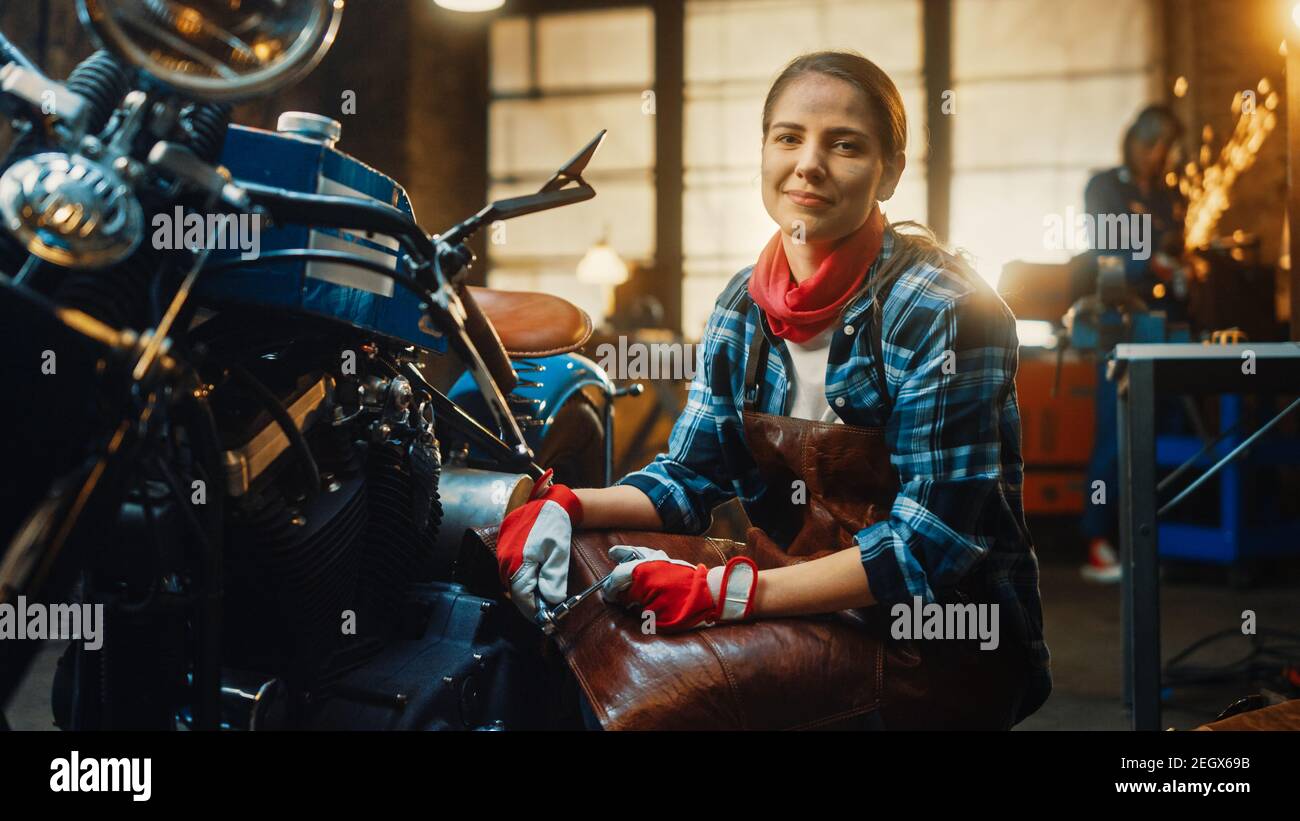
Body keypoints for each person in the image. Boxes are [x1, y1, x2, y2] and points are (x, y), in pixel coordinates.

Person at [497, 50, 1050, 728]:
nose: (809, 163)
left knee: (653, 705)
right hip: (801, 591)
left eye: (844, 145)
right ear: (763, 153)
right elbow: (688, 478)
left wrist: (727, 593)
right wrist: (560, 501)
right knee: (577, 589)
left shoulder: (949, 308)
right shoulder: (741, 304)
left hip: (938, 640)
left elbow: (926, 548)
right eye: (788, 137)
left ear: (890, 171)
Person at [1080, 105, 1187, 583]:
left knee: (1165, 430)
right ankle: (1097, 542)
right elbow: (1111, 252)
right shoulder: (1106, 188)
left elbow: (1182, 245)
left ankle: (1150, 542)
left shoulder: (1171, 194)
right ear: (1138, 142)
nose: (1161, 155)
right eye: (1155, 145)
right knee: (1117, 432)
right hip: (1120, 323)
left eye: (1167, 147)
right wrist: (1151, 264)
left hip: (1168, 325)